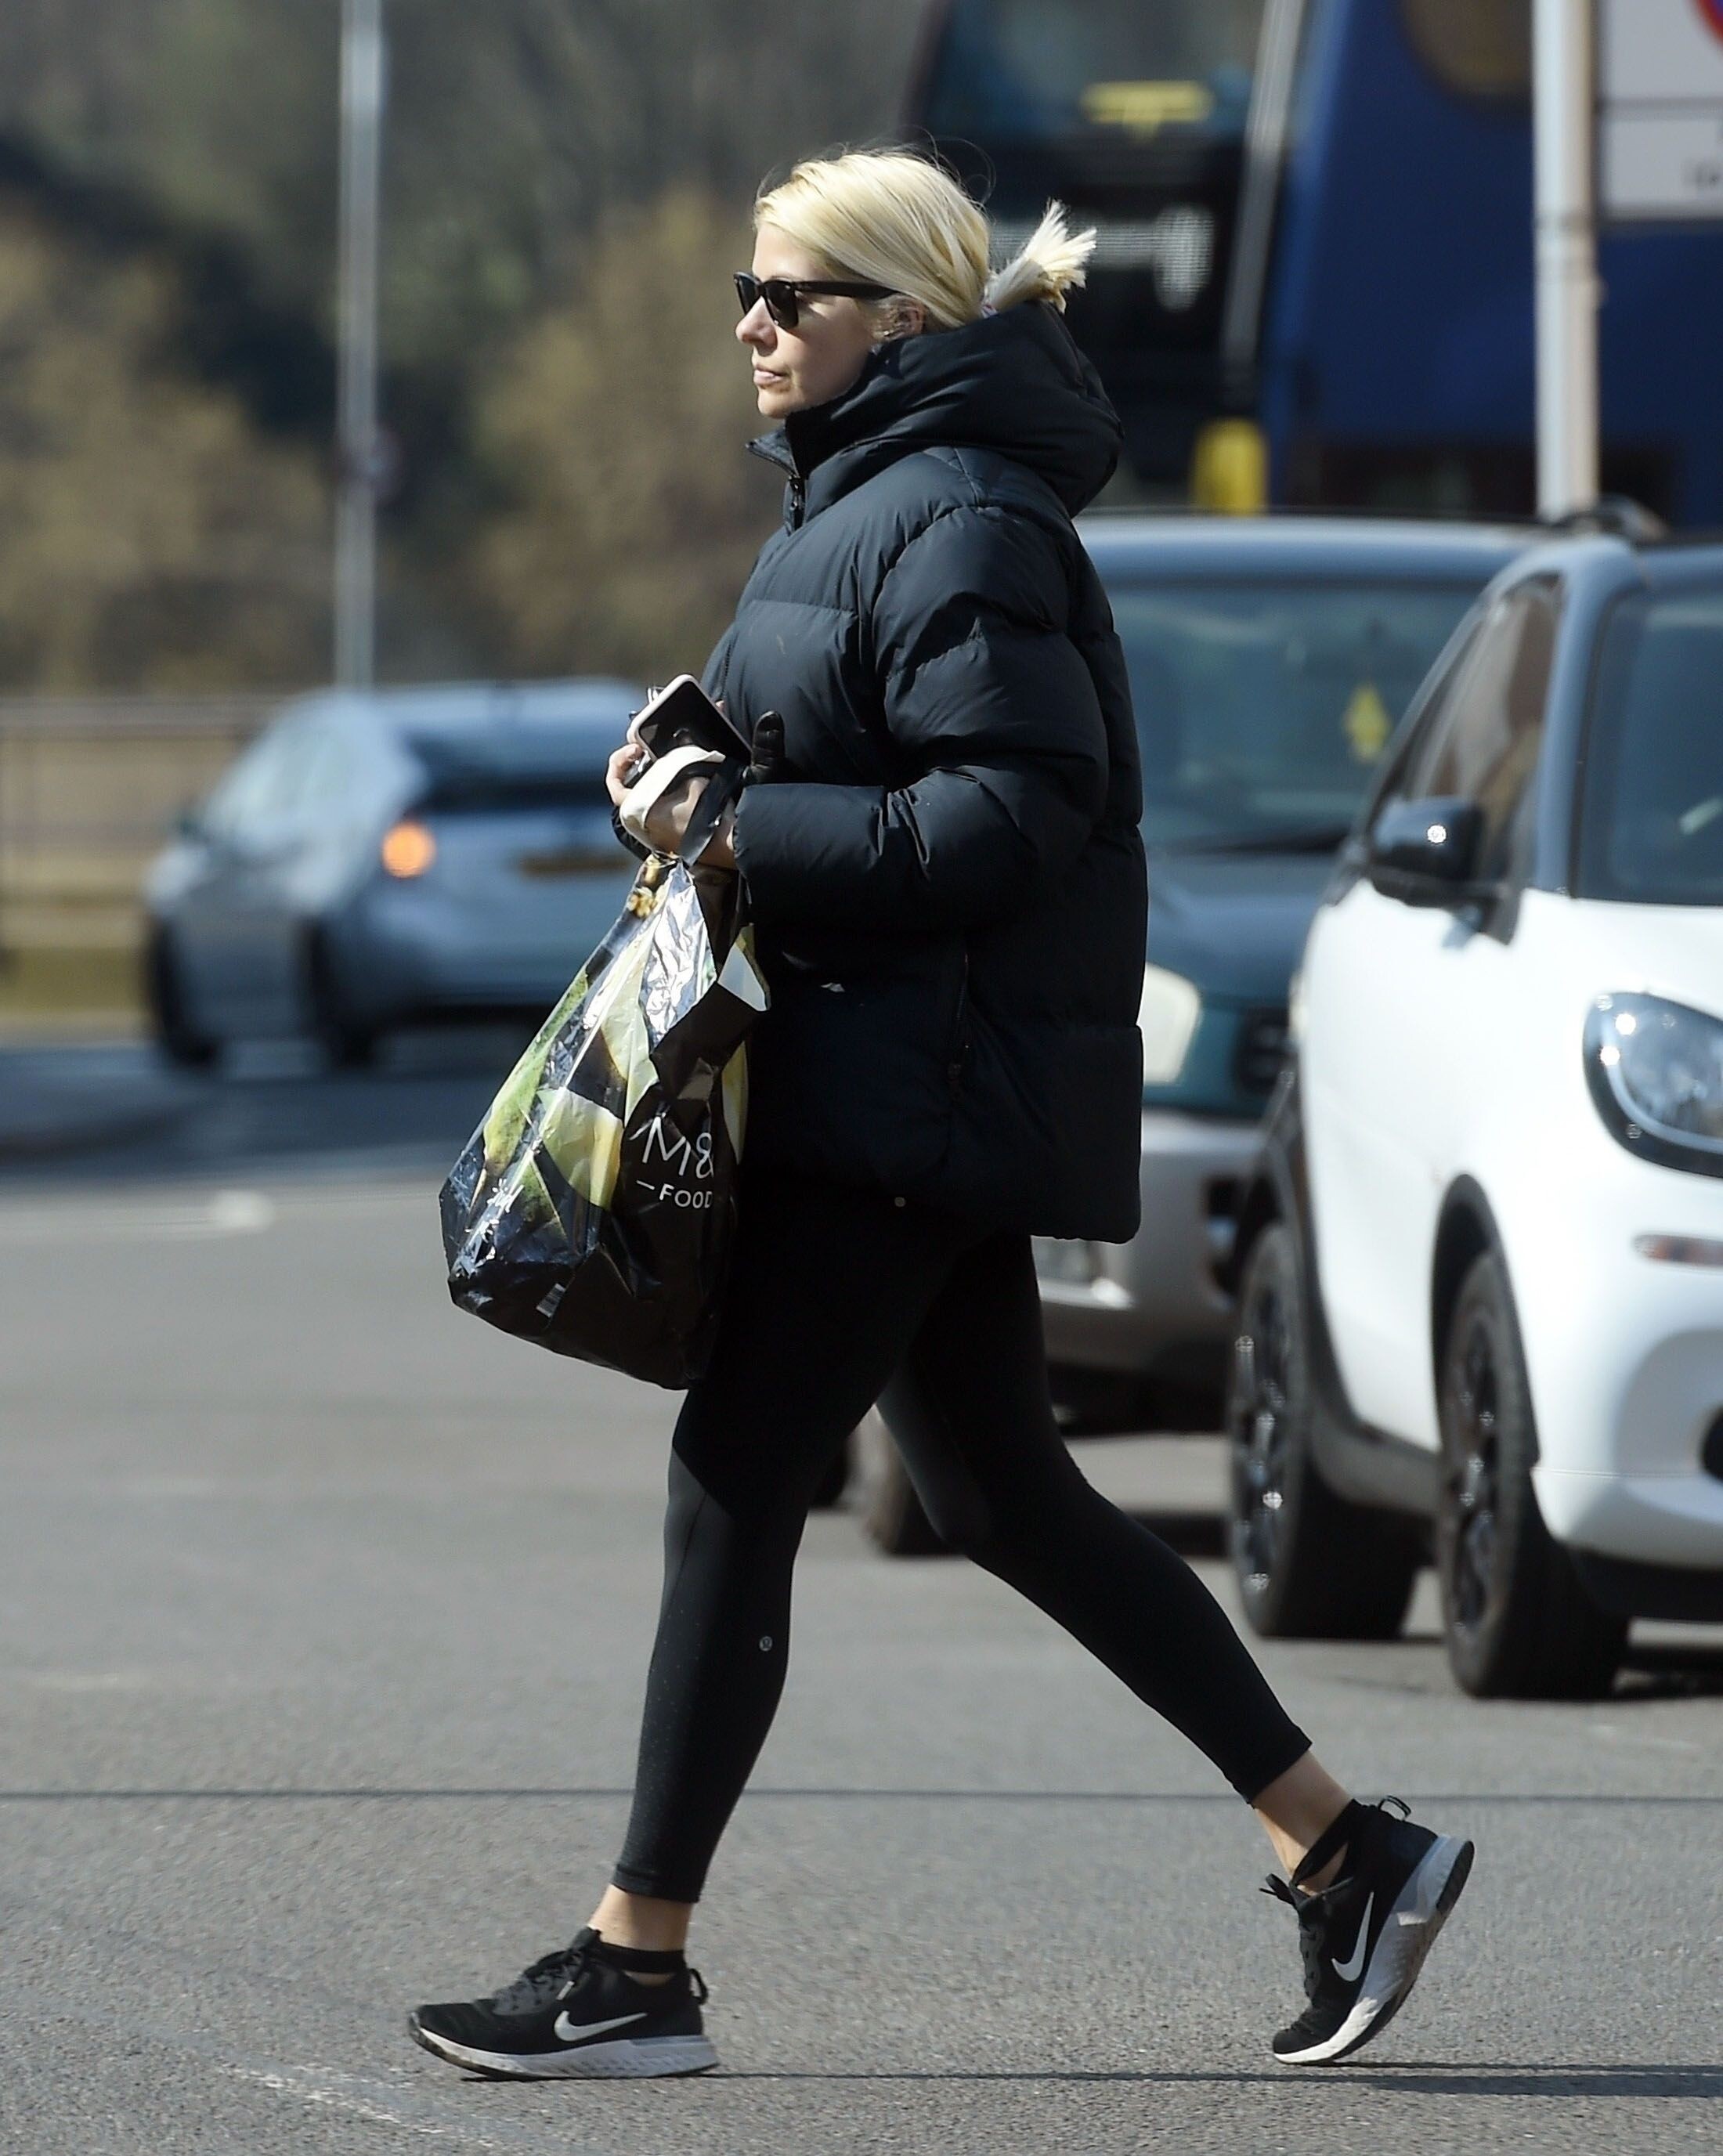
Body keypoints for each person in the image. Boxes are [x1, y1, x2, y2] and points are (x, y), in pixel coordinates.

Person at [409, 148, 1472, 2083]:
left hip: (910, 1095)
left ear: (895, 320)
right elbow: (859, 760)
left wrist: (735, 822)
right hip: (898, 1077)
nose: (750, 325)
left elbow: (1003, 818)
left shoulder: (961, 513)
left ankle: (633, 1966)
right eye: (744, 293)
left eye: (787, 296)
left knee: (737, 1479)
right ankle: (1342, 1849)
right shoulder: (869, 496)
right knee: (996, 1494)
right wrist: (702, 770)